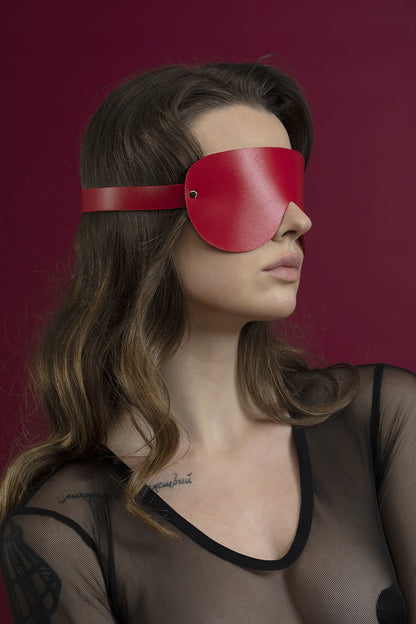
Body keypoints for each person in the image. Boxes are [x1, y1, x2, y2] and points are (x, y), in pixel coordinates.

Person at [0, 59, 414, 624]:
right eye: (252, 187)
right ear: (145, 220)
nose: (298, 220)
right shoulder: (65, 529)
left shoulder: (383, 421)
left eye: (290, 185)